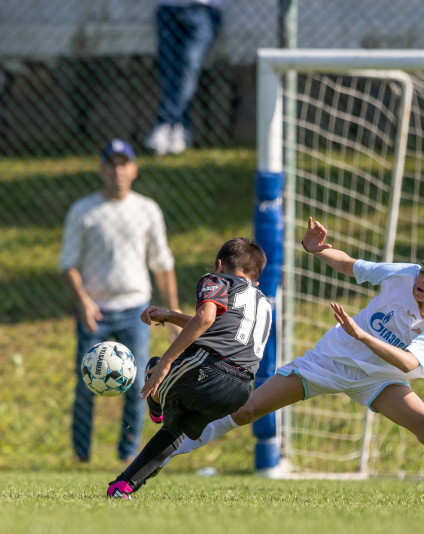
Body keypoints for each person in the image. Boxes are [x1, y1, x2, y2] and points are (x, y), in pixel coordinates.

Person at [165, 217, 424, 505]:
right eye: (423, 269)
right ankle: (158, 458)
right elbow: (351, 265)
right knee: (247, 410)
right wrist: (317, 250)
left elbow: (409, 363)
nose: (421, 278)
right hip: (327, 362)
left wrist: (364, 336)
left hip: (378, 379)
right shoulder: (402, 275)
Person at [107, 237, 270, 499]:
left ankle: (158, 404)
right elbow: (216, 326)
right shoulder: (262, 300)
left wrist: (167, 362)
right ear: (256, 279)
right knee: (175, 432)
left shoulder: (217, 279)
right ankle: (123, 486)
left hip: (206, 371)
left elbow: (205, 317)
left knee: (153, 368)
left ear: (219, 265)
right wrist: (170, 315)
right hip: (239, 390)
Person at [60, 138, 180, 463]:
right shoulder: (84, 211)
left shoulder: (147, 210)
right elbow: (68, 264)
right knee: (87, 386)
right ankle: (80, 456)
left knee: (136, 386)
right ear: (102, 169)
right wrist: (84, 301)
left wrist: (172, 315)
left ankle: (128, 455)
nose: (117, 171)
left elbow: (162, 264)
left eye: (123, 164)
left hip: (135, 312)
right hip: (95, 312)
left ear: (134, 169)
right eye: (111, 164)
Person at [145, 0, 224, 156]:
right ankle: (179, 129)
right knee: (169, 72)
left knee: (188, 70)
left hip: (204, 11)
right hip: (168, 8)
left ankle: (166, 123)